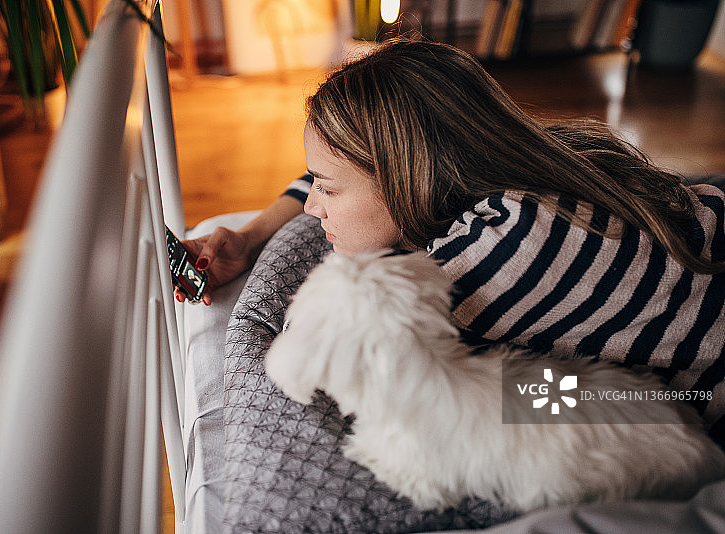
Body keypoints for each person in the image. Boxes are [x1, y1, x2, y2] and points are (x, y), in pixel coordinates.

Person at [176, 39, 725, 441]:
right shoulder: (520, 161)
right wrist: (250, 237)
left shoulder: (506, 248)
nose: (312, 207)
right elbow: (333, 171)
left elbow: (317, 355)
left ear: (404, 175)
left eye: (328, 189)